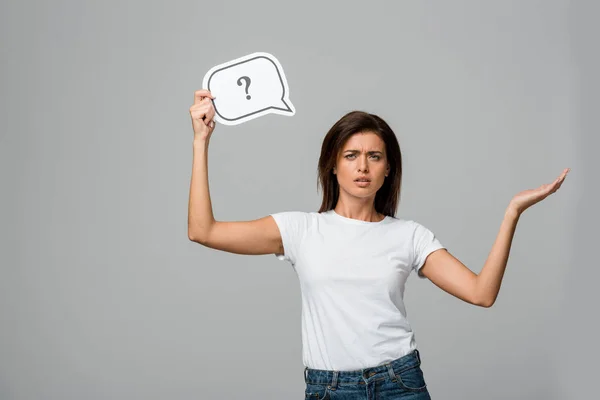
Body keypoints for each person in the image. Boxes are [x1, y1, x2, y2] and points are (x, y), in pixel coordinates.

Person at [187, 89, 570, 399]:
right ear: (332, 166)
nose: (363, 167)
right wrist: (201, 141)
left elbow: (481, 293)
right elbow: (202, 231)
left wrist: (512, 213)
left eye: (374, 156)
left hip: (399, 383)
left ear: (388, 169)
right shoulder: (300, 230)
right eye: (351, 156)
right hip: (330, 389)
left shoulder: (410, 236)